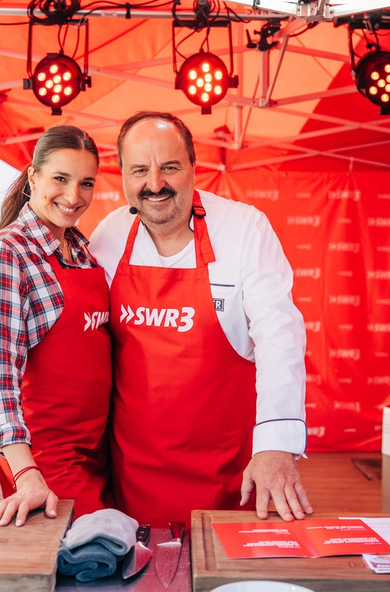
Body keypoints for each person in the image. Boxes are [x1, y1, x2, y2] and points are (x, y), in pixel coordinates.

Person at [89, 111, 312, 526]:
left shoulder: (244, 228)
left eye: (169, 167)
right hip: (132, 473)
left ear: (194, 166)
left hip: (228, 473)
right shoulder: (107, 236)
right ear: (121, 174)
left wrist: (276, 446)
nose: (154, 184)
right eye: (140, 170)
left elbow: (279, 335)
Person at [0, 125, 112, 526]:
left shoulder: (82, 250)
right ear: (33, 176)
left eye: (86, 183)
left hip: (95, 448)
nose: (74, 197)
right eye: (61, 179)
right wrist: (25, 473)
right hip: (44, 452)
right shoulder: (8, 253)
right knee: (94, 548)